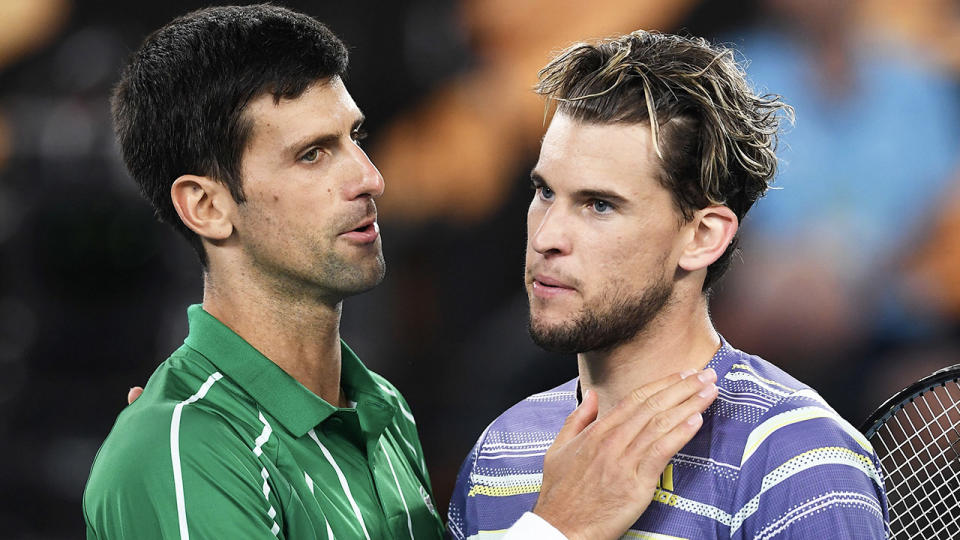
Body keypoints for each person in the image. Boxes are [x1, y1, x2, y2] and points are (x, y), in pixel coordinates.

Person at [82, 5, 718, 539]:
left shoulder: (383, 414)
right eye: (312, 155)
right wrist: (557, 527)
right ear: (208, 206)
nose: (368, 177)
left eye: (354, 138)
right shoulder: (179, 451)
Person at [447, 31, 889, 539]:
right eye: (545, 192)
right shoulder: (500, 451)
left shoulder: (804, 464)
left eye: (599, 205)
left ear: (702, 236)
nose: (547, 237)